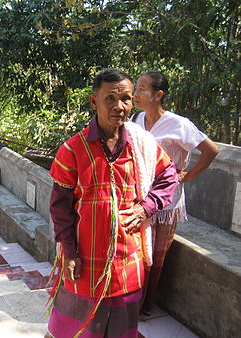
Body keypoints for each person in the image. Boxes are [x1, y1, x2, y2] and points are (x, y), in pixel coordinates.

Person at [45, 69, 178, 338]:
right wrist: (68, 252)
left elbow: (169, 175)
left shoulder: (141, 145)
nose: (120, 106)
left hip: (128, 258)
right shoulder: (72, 150)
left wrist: (146, 208)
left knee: (120, 329)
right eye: (111, 99)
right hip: (84, 259)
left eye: (127, 99)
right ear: (94, 102)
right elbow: (60, 208)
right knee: (74, 327)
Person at [133, 71, 219, 317]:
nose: (136, 94)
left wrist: (188, 175)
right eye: (136, 88)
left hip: (167, 200)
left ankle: (145, 306)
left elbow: (210, 150)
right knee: (139, 251)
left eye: (142, 89)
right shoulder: (138, 119)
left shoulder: (179, 124)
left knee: (156, 256)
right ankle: (131, 303)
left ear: (158, 95)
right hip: (141, 197)